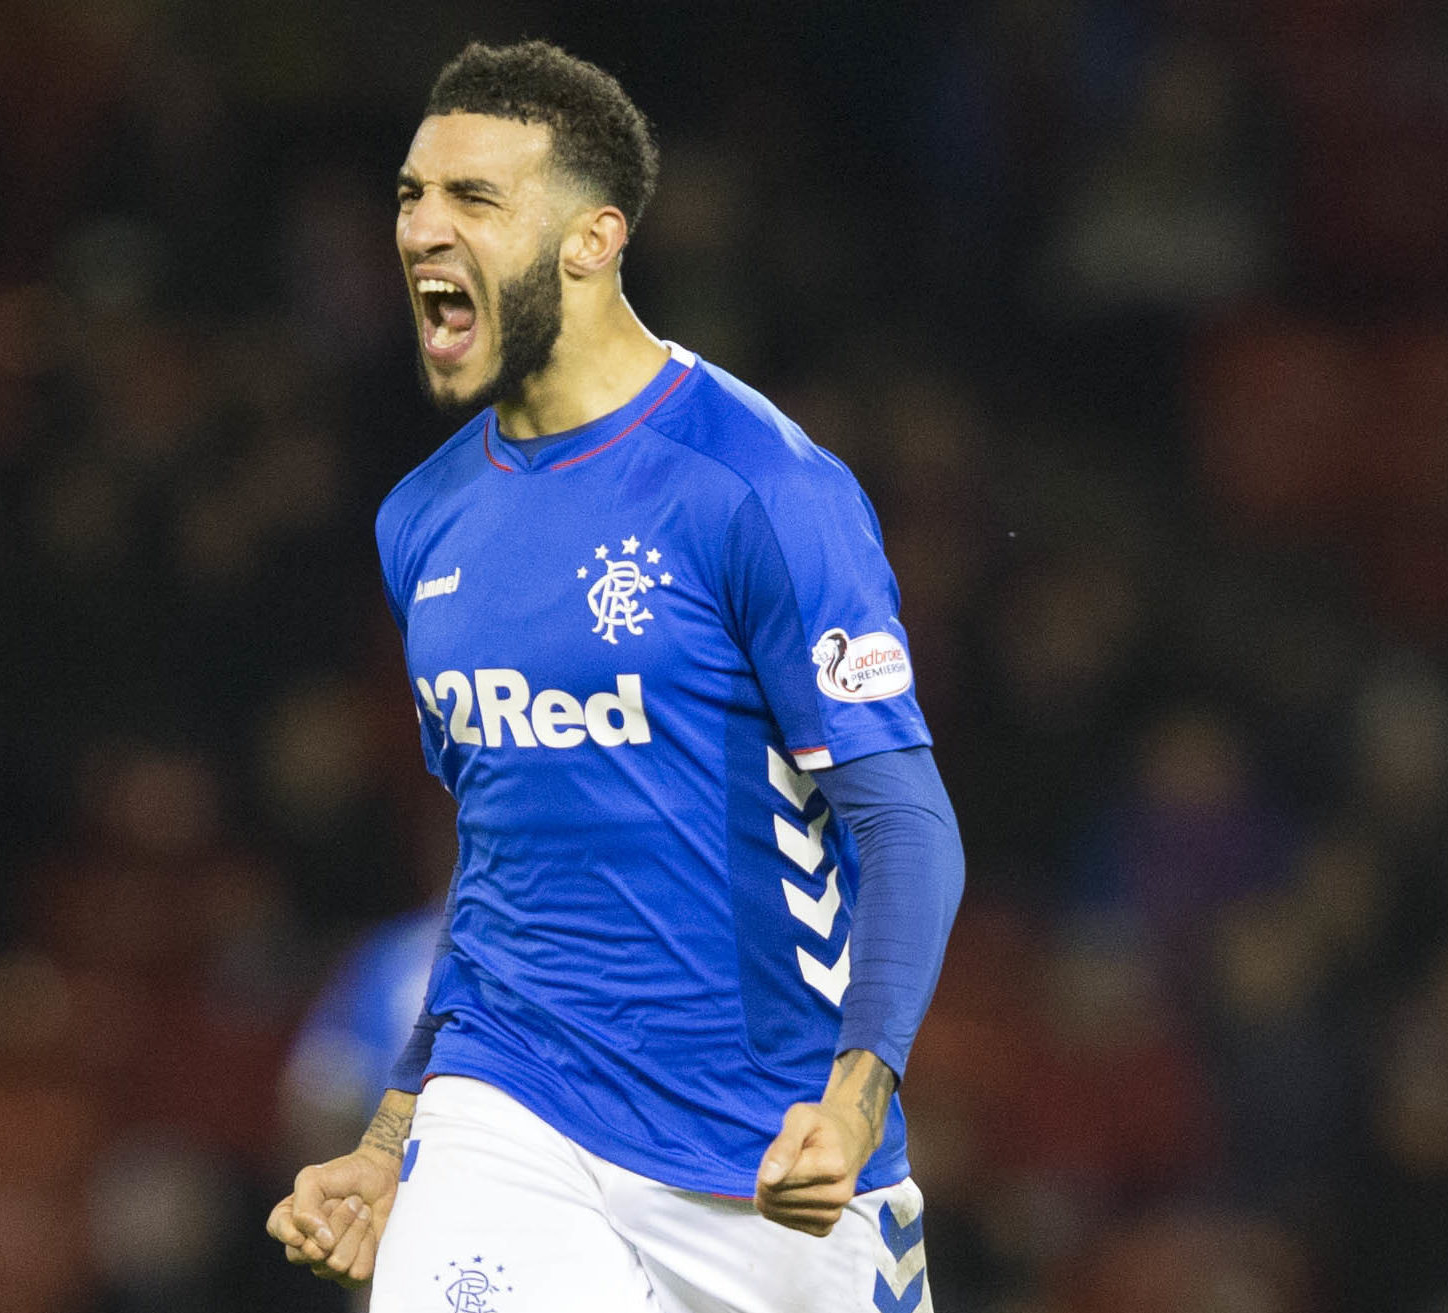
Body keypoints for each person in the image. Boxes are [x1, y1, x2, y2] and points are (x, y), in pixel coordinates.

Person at [268, 40, 966, 1313]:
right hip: (511, 1108)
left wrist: (858, 1096)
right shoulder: (420, 524)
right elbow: (498, 868)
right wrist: (389, 1136)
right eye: (411, 195)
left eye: (473, 199)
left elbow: (905, 821)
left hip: (762, 1149)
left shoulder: (758, 486)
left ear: (593, 239)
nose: (422, 227)